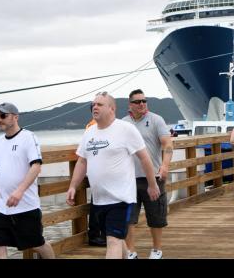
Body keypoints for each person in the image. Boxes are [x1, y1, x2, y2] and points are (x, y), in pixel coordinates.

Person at [66, 92, 160, 259]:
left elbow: (145, 158)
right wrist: (73, 186)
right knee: (117, 238)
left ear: (112, 109)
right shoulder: (89, 132)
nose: (95, 107)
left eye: (100, 104)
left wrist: (152, 184)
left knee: (113, 241)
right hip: (99, 199)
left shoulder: (125, 129)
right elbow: (82, 162)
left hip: (121, 198)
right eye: (93, 104)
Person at [0, 102, 55, 259]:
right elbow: (2, 169)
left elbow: (36, 167)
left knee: (37, 244)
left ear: (15, 117)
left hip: (25, 206)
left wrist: (19, 191)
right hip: (2, 206)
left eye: (3, 115)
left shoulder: (28, 137)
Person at [123, 89, 173, 260]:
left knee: (156, 216)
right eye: (138, 101)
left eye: (144, 101)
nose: (142, 104)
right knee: (128, 218)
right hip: (129, 179)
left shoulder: (156, 120)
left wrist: (165, 166)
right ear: (130, 105)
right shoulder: (123, 123)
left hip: (153, 178)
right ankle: (130, 251)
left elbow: (167, 144)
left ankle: (157, 249)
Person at [85, 115, 106, 247]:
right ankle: (95, 235)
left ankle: (99, 234)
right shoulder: (94, 126)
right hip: (100, 171)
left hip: (99, 170)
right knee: (98, 204)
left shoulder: (92, 125)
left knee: (98, 204)